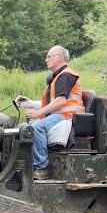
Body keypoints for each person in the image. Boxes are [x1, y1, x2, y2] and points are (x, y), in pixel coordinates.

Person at [16, 45, 84, 180]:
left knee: (36, 127)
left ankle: (41, 168)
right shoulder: (57, 77)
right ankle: (29, 164)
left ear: (60, 57)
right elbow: (51, 104)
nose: (46, 60)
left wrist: (37, 113)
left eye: (49, 56)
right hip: (59, 115)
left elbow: (60, 101)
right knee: (25, 127)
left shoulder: (66, 75)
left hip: (68, 117)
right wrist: (28, 103)